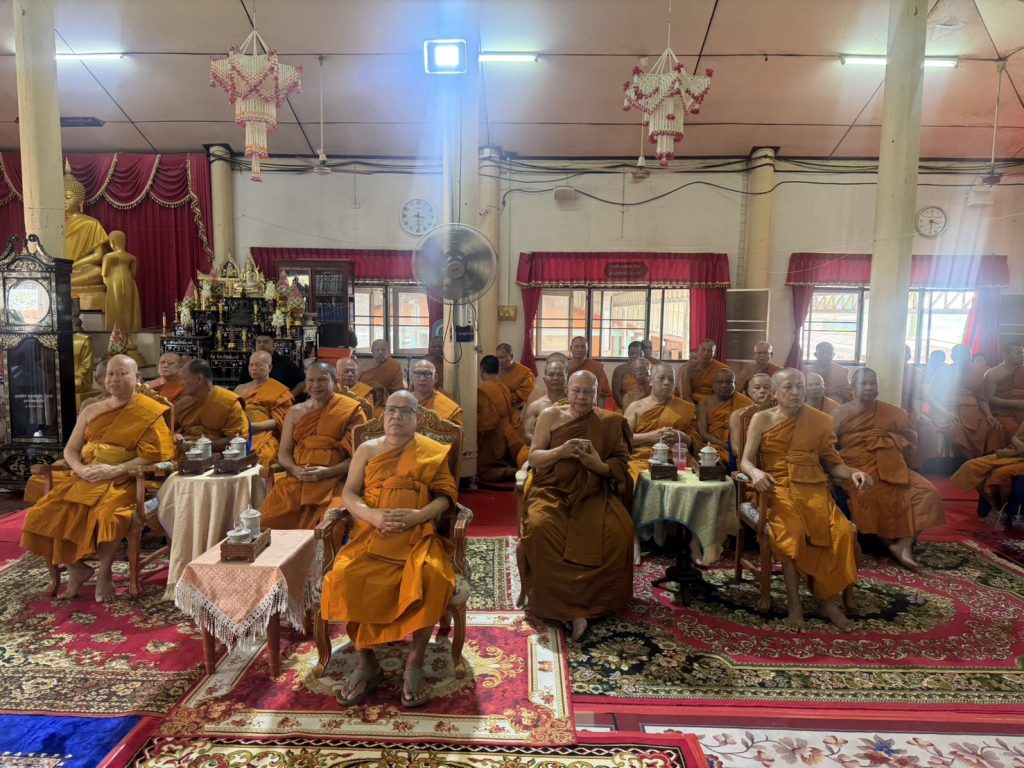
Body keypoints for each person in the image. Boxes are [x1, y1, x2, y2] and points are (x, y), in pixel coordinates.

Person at [321, 390, 458, 708]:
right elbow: (350, 493)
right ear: (383, 416)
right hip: (371, 533)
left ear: (417, 417)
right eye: (391, 410)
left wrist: (417, 516)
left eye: (405, 411)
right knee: (345, 575)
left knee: (432, 576)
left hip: (417, 535)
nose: (397, 416)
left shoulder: (432, 451)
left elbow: (445, 497)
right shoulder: (367, 449)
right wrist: (371, 516)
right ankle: (366, 662)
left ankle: (414, 662)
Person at [20, 355, 175, 602]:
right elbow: (71, 450)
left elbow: (154, 456)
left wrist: (115, 470)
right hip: (86, 477)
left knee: (109, 515)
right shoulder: (91, 410)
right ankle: (76, 568)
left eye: (122, 374)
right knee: (43, 513)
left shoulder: (149, 411)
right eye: (110, 374)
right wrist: (80, 470)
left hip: (124, 479)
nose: (114, 379)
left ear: (137, 378)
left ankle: (104, 573)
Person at [740, 368, 871, 632]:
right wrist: (756, 473)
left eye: (799, 386)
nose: (796, 392)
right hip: (776, 488)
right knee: (793, 532)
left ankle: (825, 600)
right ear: (775, 392)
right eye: (788, 387)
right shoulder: (762, 418)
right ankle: (795, 605)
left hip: (813, 490)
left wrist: (854, 472)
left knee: (843, 532)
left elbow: (832, 465)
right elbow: (745, 461)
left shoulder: (820, 421)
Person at [519, 370, 634, 641]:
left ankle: (595, 604)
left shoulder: (610, 422)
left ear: (597, 394)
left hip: (594, 491)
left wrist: (597, 465)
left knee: (619, 532)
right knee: (541, 527)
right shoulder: (550, 416)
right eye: (576, 391)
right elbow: (534, 458)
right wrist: (561, 451)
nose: (581, 397)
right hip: (553, 490)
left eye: (588, 392)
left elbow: (620, 465)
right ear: (567, 390)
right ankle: (564, 608)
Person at [833, 368, 945, 570]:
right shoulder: (839, 413)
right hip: (856, 466)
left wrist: (887, 440)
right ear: (852, 387)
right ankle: (888, 544)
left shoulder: (894, 412)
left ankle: (904, 544)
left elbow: (910, 439)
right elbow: (828, 446)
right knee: (869, 494)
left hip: (892, 466)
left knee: (928, 493)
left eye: (873, 383)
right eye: (864, 383)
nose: (869, 387)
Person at [260, 363, 367, 529]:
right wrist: (295, 470)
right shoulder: (295, 412)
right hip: (297, 480)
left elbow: (358, 458)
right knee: (267, 521)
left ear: (335, 382)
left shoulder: (350, 410)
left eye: (322, 380)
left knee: (331, 525)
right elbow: (284, 453)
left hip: (336, 481)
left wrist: (328, 472)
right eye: (311, 380)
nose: (315, 385)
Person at [624, 363, 700, 484]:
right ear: (651, 381)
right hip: (645, 459)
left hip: (677, 459)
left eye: (671, 379)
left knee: (692, 483)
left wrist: (680, 436)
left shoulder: (685, 408)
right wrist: (650, 437)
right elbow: (622, 439)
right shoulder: (636, 407)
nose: (666, 383)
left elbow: (696, 442)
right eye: (661, 378)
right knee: (640, 481)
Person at [927, 343, 999, 458]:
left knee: (992, 428)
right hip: (947, 410)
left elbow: (982, 398)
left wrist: (989, 415)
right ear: (953, 357)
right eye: (961, 355)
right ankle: (965, 460)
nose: (965, 357)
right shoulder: (942, 372)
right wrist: (946, 413)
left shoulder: (978, 373)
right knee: (956, 429)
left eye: (967, 354)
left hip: (972, 413)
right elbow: (930, 397)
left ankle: (984, 460)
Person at [950, 421, 1024, 525]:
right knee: (971, 467)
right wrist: (1018, 445)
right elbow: (1015, 437)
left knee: (1000, 473)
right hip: (1013, 452)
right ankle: (995, 508)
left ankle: (1003, 510)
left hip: (1018, 457)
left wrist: (1014, 452)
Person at [173, 358, 249, 454]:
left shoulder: (227, 402)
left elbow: (238, 439)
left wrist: (198, 446)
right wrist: (175, 436)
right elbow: (169, 430)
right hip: (185, 453)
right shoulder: (182, 404)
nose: (181, 383)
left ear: (199, 379)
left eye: (184, 379)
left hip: (220, 455)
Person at [235, 351, 294, 466]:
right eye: (251, 365)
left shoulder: (279, 390)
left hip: (265, 433)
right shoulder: (239, 389)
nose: (254, 368)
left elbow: (281, 420)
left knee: (266, 455)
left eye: (258, 365)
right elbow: (232, 413)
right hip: (240, 432)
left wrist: (253, 427)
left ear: (269, 367)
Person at [63, 162, 109, 295]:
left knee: (98, 272)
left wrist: (73, 265)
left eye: (68, 197)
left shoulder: (91, 223)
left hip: (79, 270)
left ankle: (59, 283)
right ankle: (58, 281)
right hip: (57, 270)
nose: (63, 201)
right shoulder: (52, 224)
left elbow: (98, 255)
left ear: (80, 201)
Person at [477, 355, 523, 482]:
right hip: (511, 435)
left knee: (481, 471)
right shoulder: (504, 387)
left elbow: (487, 422)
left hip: (494, 437)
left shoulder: (483, 389)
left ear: (482, 370)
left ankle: (513, 472)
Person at [519, 356, 569, 465]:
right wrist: (549, 444)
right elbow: (527, 436)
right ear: (545, 379)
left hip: (568, 449)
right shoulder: (535, 406)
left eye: (560, 375)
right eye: (551, 374)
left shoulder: (575, 403)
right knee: (524, 458)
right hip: (542, 450)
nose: (555, 378)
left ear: (567, 378)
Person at [696, 369, 753, 464]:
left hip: (738, 446)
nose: (724, 385)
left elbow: (749, 431)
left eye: (728, 382)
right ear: (713, 384)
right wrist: (726, 446)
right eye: (719, 382)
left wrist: (735, 446)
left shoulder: (746, 403)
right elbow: (703, 433)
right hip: (713, 445)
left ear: (734, 384)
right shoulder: (704, 403)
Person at [902, 345, 940, 468]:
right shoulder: (882, 369)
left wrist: (921, 414)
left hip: (908, 408)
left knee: (926, 427)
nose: (901, 356)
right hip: (885, 408)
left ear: (909, 356)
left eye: (905, 353)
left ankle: (916, 464)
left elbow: (917, 397)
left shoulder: (916, 373)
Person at [983, 341, 1024, 448]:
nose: (1022, 356)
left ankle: (1015, 452)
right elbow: (990, 398)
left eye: (1022, 353)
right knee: (1012, 429)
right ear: (1005, 355)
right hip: (1004, 412)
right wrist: (1015, 403)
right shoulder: (992, 374)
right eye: (1018, 353)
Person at [729, 372, 774, 466]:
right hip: (749, 462)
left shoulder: (781, 414)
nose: (762, 391)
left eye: (766, 387)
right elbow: (735, 448)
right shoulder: (738, 415)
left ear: (774, 390)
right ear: (749, 392)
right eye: (757, 388)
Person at [101, 231, 142, 336]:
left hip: (115, 281)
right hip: (129, 282)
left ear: (112, 242)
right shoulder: (132, 257)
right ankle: (129, 336)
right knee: (128, 309)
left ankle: (116, 335)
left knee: (117, 307)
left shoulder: (108, 256)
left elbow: (104, 273)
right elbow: (133, 274)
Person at [237, 335, 304, 394]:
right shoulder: (251, 362)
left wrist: (290, 396)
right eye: (258, 342)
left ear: (273, 346)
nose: (261, 345)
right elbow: (242, 385)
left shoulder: (285, 363)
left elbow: (303, 382)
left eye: (265, 342)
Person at [677, 339, 731, 404]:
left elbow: (725, 394)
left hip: (713, 403)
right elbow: (685, 396)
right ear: (698, 352)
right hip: (692, 402)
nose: (705, 353)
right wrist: (694, 408)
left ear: (714, 354)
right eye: (703, 350)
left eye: (709, 351)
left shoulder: (722, 369)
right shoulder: (688, 369)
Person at [410, 359, 462, 425]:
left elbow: (456, 431)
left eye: (427, 374)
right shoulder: (402, 402)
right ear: (411, 377)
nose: (422, 378)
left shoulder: (449, 408)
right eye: (417, 373)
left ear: (435, 378)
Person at [359, 339, 407, 408]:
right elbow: (356, 386)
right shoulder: (363, 365)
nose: (380, 352)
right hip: (363, 401)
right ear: (372, 351)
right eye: (377, 350)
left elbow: (397, 390)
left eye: (383, 350)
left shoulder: (394, 365)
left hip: (385, 403)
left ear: (388, 352)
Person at [568, 336, 612, 404]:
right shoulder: (565, 366)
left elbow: (604, 393)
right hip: (568, 402)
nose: (580, 350)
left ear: (587, 349)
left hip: (590, 402)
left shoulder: (596, 367)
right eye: (577, 347)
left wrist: (598, 409)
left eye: (583, 347)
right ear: (571, 348)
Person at [496, 342, 535, 411]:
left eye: (503, 357)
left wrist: (501, 399)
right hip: (497, 407)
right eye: (497, 358)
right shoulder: (495, 370)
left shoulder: (525, 373)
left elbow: (523, 395)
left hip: (517, 409)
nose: (500, 361)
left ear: (511, 356)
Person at [611, 341, 647, 410]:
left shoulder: (649, 369)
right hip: (623, 406)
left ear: (643, 354)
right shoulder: (620, 370)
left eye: (638, 353)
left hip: (645, 406)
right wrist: (626, 408)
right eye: (632, 353)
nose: (635, 356)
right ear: (628, 354)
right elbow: (616, 393)